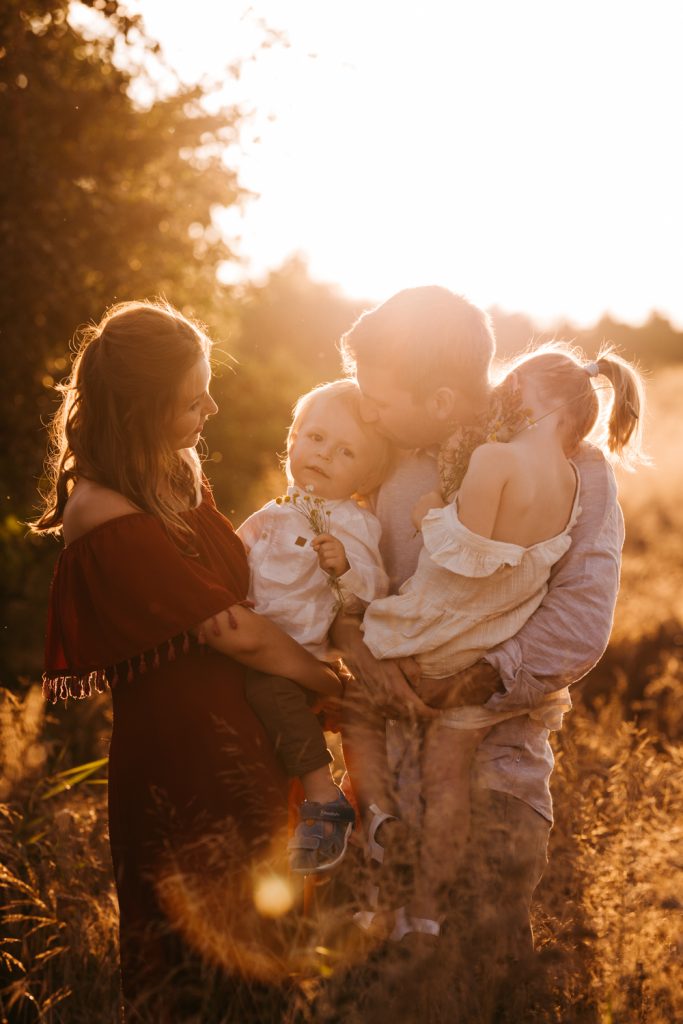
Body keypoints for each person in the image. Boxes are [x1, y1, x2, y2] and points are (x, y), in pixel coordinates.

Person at [32, 301, 341, 1023]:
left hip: (244, 735)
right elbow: (235, 630)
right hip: (178, 754)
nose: (212, 405)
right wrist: (334, 685)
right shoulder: (99, 509)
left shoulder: (173, 466)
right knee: (191, 962)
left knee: (264, 944)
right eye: (191, 395)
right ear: (141, 407)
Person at [331, 286, 632, 1002]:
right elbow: (331, 572)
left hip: (495, 778)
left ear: (437, 398)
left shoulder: (577, 470)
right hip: (379, 792)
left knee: (472, 987)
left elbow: (581, 619)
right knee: (373, 995)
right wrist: (366, 661)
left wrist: (459, 686)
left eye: (377, 396)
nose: (364, 408)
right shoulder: (377, 452)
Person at [236, 379, 392, 874]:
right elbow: (233, 557)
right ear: (293, 440)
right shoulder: (272, 513)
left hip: (301, 654)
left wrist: (345, 566)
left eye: (345, 452)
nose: (324, 455)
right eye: (317, 438)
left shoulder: (355, 522)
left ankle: (326, 798)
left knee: (272, 694)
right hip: (252, 640)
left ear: (363, 476)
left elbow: (374, 590)